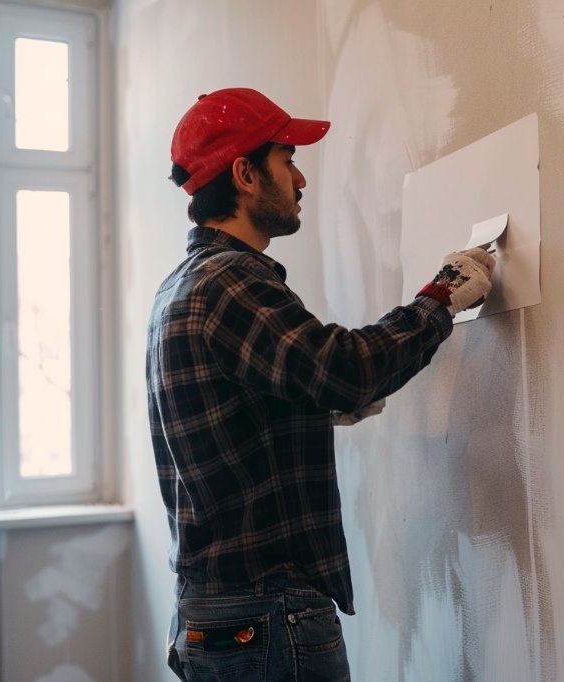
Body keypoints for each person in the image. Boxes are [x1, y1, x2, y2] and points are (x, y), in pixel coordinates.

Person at [148, 87, 496, 681]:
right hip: (264, 615)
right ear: (245, 174)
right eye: (287, 160)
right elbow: (347, 369)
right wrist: (440, 296)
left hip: (222, 615)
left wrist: (310, 411)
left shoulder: (183, 285)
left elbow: (231, 405)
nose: (301, 178)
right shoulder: (231, 281)